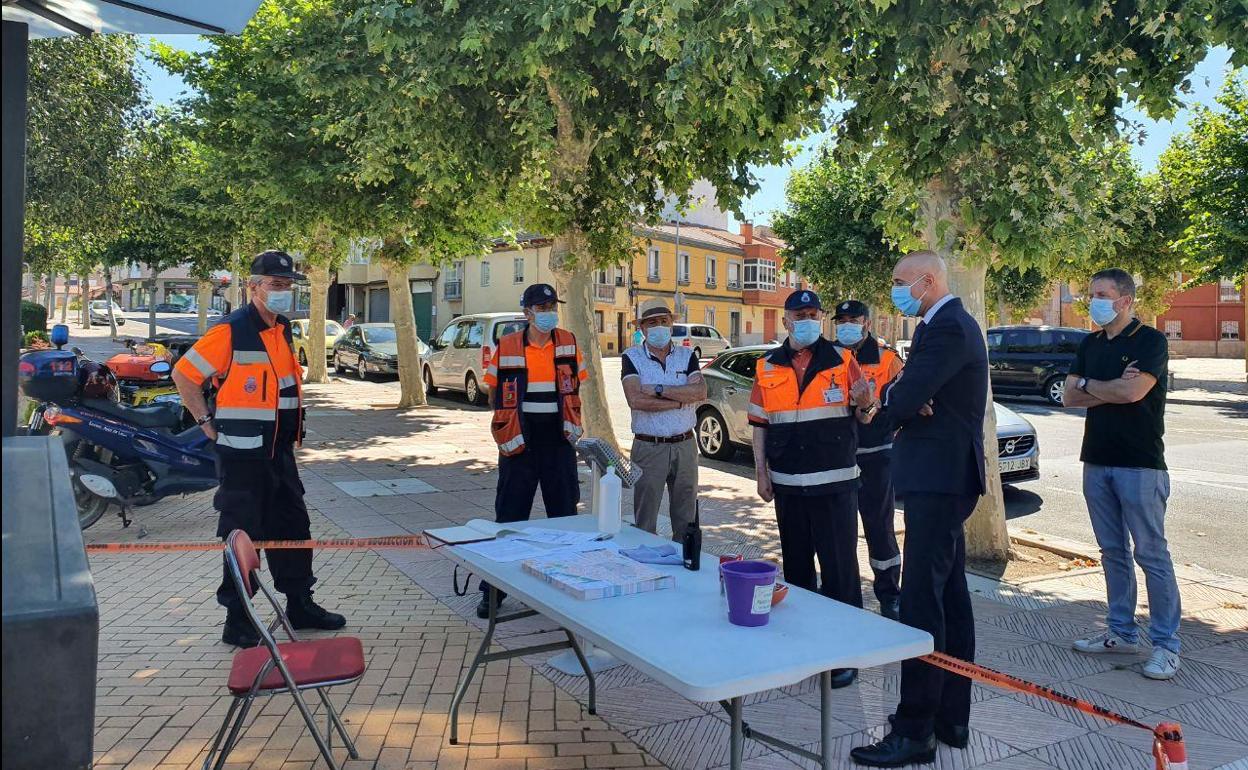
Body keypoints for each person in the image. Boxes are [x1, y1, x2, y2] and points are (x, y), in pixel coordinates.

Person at [851, 251, 986, 767]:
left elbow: (906, 398)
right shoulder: (942, 326)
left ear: (927, 281)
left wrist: (883, 403)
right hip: (942, 476)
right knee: (950, 595)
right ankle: (951, 717)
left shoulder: (948, 325)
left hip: (941, 478)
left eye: (900, 283)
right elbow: (912, 393)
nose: (895, 291)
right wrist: (903, 396)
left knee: (922, 600)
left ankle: (914, 730)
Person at [173, 250, 346, 648]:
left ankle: (300, 604)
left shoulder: (281, 329)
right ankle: (238, 619)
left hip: (278, 452)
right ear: (253, 287)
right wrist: (205, 422)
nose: (283, 292)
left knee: (293, 529)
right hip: (242, 457)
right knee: (243, 535)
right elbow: (185, 375)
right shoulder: (231, 330)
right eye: (275, 284)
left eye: (288, 285)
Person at [749, 290, 872, 690]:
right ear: (785, 321)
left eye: (813, 314)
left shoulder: (843, 359)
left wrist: (866, 402)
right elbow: (759, 425)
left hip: (835, 483)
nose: (808, 320)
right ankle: (804, 649)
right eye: (800, 314)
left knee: (840, 572)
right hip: (787, 485)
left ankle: (845, 653)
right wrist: (761, 474)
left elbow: (864, 413)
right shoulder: (766, 365)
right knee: (798, 570)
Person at [1062, 269, 1179, 680]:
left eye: (1102, 294)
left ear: (1126, 300)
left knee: (1152, 555)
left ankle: (1166, 645)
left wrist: (1091, 386)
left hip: (1141, 463)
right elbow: (1068, 396)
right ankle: (1120, 632)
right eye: (1091, 293)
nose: (1093, 301)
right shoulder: (1090, 343)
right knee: (1112, 551)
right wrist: (1103, 385)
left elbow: (1133, 393)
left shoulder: (1150, 341)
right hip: (1096, 460)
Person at [478, 283, 588, 618]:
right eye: (542, 308)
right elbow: (493, 390)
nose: (548, 313)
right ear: (527, 313)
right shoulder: (508, 344)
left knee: (565, 517)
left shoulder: (567, 341)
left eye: (552, 306)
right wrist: (507, 431)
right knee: (510, 518)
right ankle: (493, 592)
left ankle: (568, 585)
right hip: (520, 442)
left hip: (558, 441)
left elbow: (577, 385)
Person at [832, 299, 904, 621]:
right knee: (838, 530)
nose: (846, 324)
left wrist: (872, 411)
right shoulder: (828, 357)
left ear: (867, 324)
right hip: (837, 458)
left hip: (875, 457)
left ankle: (889, 594)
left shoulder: (889, 360)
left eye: (853, 319)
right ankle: (842, 593)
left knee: (879, 528)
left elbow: (900, 407)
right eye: (841, 319)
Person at [621, 299, 706, 537]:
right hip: (649, 447)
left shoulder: (687, 356)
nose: (659, 326)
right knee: (645, 519)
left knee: (686, 516)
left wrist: (659, 389)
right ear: (643, 328)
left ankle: (686, 563)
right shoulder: (631, 357)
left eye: (663, 321)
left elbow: (700, 392)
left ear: (671, 324)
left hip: (685, 445)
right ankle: (644, 568)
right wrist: (681, 400)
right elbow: (636, 400)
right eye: (652, 322)